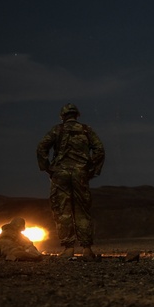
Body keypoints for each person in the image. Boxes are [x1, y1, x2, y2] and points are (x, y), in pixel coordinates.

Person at [36, 103, 105, 260]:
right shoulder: (87, 130)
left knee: (63, 211)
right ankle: (87, 250)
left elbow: (41, 148)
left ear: (63, 116)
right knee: (82, 211)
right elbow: (99, 150)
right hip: (80, 174)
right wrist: (90, 170)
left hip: (61, 174)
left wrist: (48, 168)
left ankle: (68, 250)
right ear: (76, 115)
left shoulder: (57, 130)